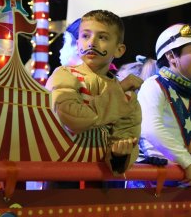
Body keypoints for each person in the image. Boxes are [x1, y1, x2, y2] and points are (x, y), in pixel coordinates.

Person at [46, 10, 143, 178]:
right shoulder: (64, 75)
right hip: (63, 175)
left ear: (119, 50)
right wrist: (119, 92)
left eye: (102, 37)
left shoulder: (128, 97)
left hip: (102, 180)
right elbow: (71, 118)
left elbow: (128, 134)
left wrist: (120, 154)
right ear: (77, 44)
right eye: (85, 36)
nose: (91, 43)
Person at [138, 23, 191, 187]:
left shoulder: (190, 93)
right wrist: (187, 160)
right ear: (171, 56)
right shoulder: (153, 84)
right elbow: (150, 129)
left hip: (176, 176)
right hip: (151, 177)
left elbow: (176, 128)